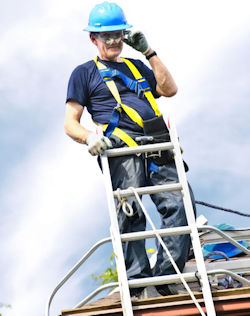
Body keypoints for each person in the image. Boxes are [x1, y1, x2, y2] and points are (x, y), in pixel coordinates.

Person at [64, 1, 196, 299]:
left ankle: (167, 277)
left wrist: (149, 52)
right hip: (122, 150)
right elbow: (70, 122)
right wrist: (88, 138)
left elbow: (169, 89)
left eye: (118, 35)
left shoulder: (137, 67)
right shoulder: (84, 73)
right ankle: (137, 283)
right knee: (130, 212)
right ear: (93, 39)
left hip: (159, 145)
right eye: (106, 36)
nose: (113, 41)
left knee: (181, 206)